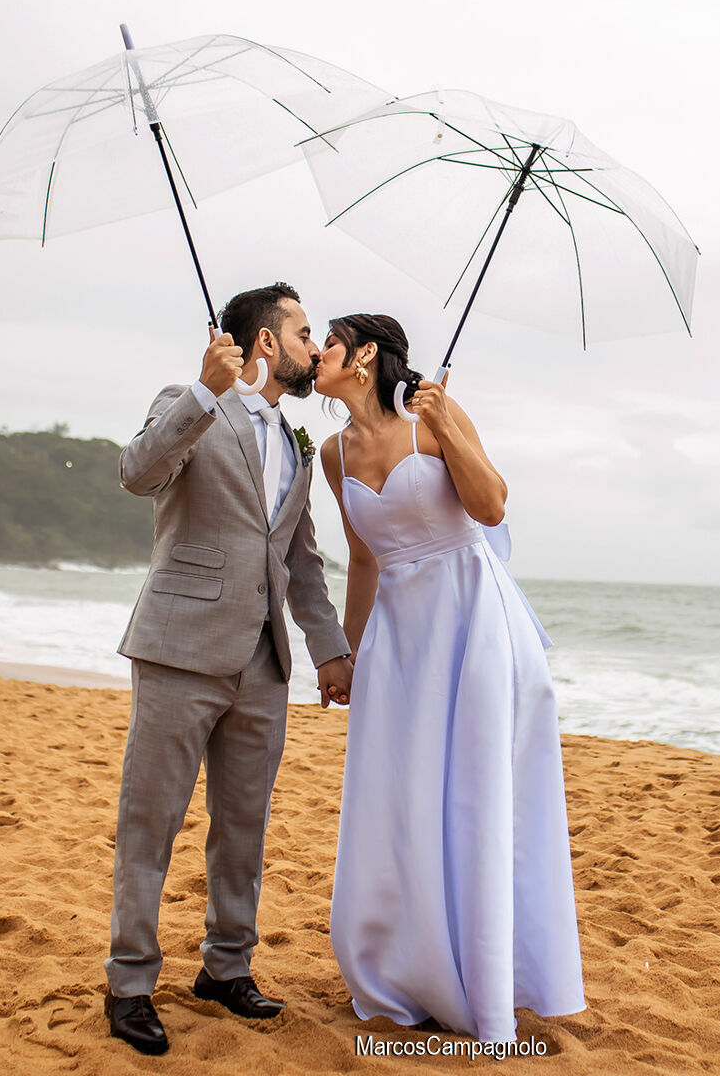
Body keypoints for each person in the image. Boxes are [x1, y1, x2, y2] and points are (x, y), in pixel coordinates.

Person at [315, 313, 585, 1043]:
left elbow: (491, 505)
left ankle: (484, 974)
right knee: (399, 794)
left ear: (365, 356)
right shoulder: (331, 451)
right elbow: (364, 558)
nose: (316, 355)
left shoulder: (431, 411)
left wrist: (449, 427)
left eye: (329, 344)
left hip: (471, 619)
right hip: (399, 637)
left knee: (471, 794)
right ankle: (409, 965)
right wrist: (348, 651)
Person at [104, 282, 355, 1056]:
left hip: (263, 665)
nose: (317, 347)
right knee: (151, 825)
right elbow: (137, 473)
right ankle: (130, 983)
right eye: (306, 332)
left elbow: (301, 558)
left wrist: (328, 647)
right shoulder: (188, 401)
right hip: (179, 649)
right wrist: (206, 394)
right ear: (267, 345)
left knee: (242, 829)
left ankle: (226, 968)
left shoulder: (296, 442)